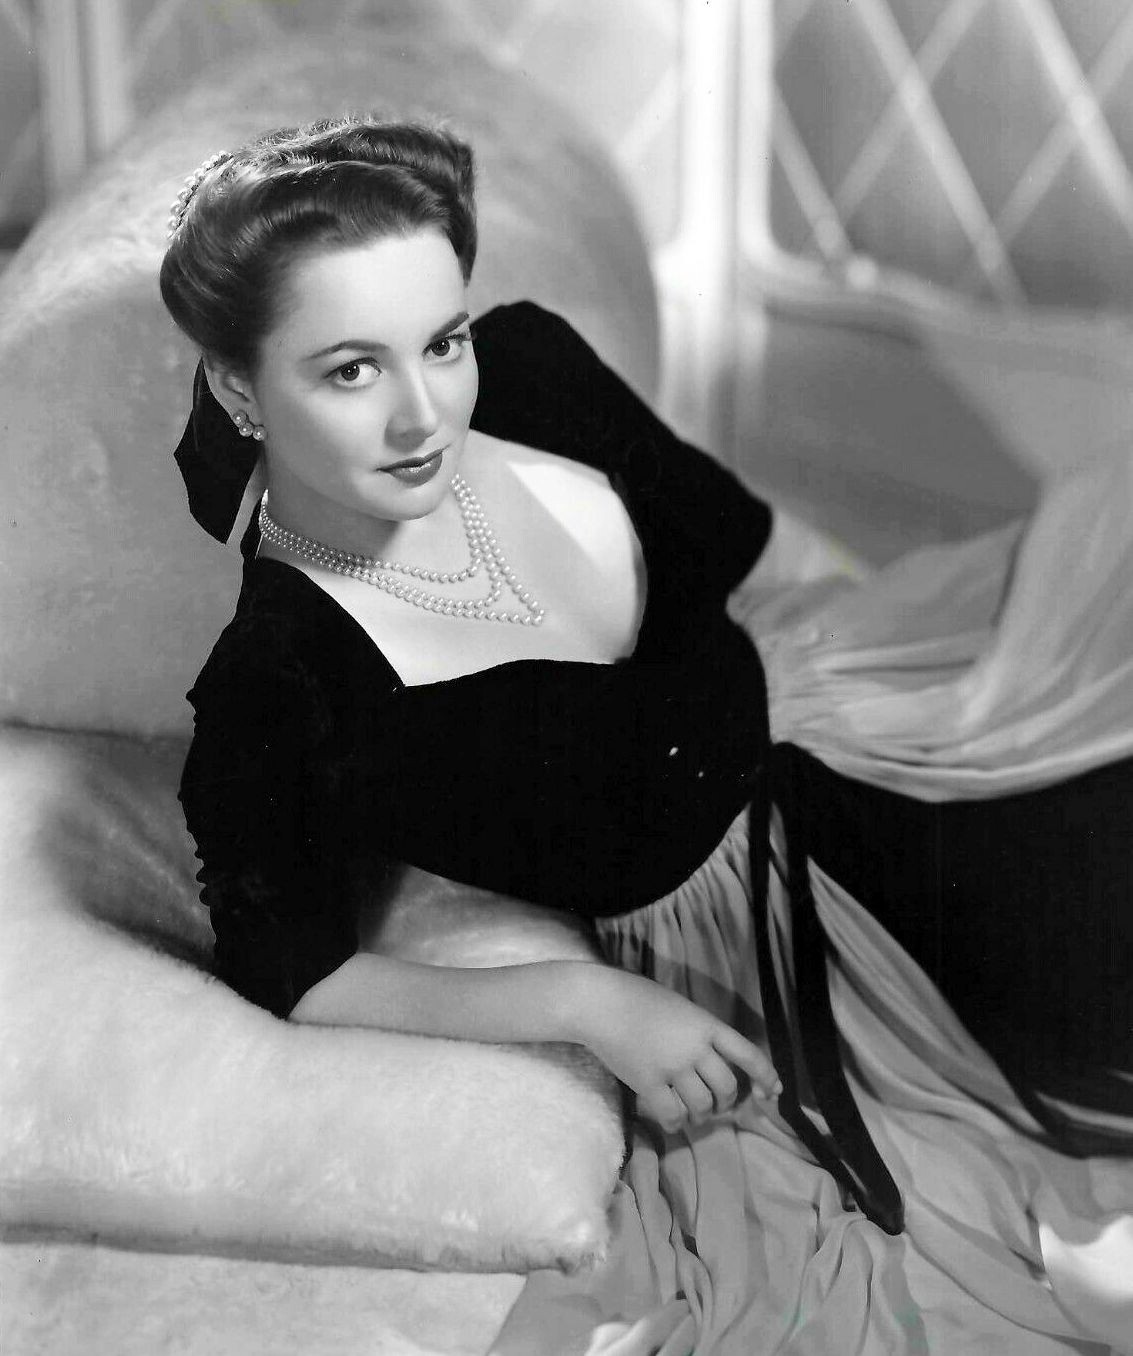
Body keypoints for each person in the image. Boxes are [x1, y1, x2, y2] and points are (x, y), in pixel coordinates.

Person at [163, 117, 1132, 1354]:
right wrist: (586, 1001)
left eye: (442, 342)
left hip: (873, 699)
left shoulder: (532, 363)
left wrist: (964, 656)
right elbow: (294, 974)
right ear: (238, 389)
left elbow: (745, 543)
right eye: (350, 371)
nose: (423, 415)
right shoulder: (276, 681)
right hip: (797, 940)